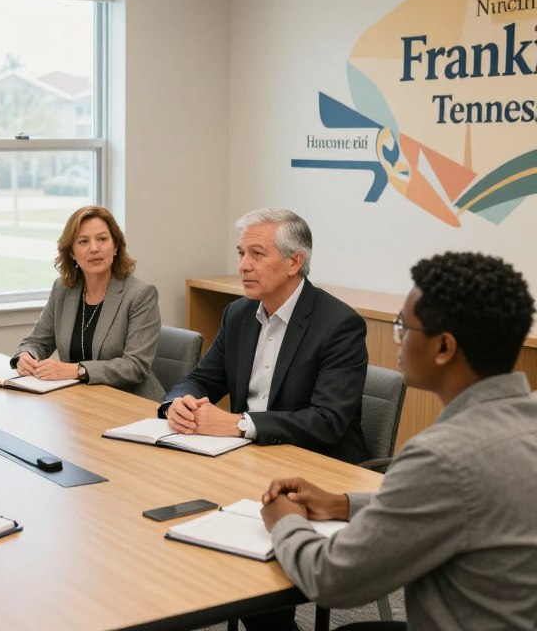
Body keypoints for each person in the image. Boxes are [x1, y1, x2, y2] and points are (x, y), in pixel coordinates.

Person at [261, 252, 537, 631]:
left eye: (403, 326)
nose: (398, 339)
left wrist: (285, 523)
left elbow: (331, 580)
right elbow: (469, 498)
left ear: (444, 348)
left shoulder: (442, 456)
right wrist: (343, 504)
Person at [159, 207, 368, 464]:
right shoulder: (238, 314)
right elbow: (203, 378)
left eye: (256, 254)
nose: (243, 266)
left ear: (294, 262)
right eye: (241, 254)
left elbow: (327, 421)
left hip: (315, 464)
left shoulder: (339, 325)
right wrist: (179, 403)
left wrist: (240, 424)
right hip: (249, 456)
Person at [11, 205, 162, 400]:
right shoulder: (63, 289)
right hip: (80, 400)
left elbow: (135, 365)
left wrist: (78, 370)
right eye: (83, 241)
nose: (94, 248)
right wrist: (25, 356)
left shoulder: (140, 294)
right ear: (72, 252)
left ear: (115, 246)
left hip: (130, 402)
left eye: (102, 239)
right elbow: (37, 341)